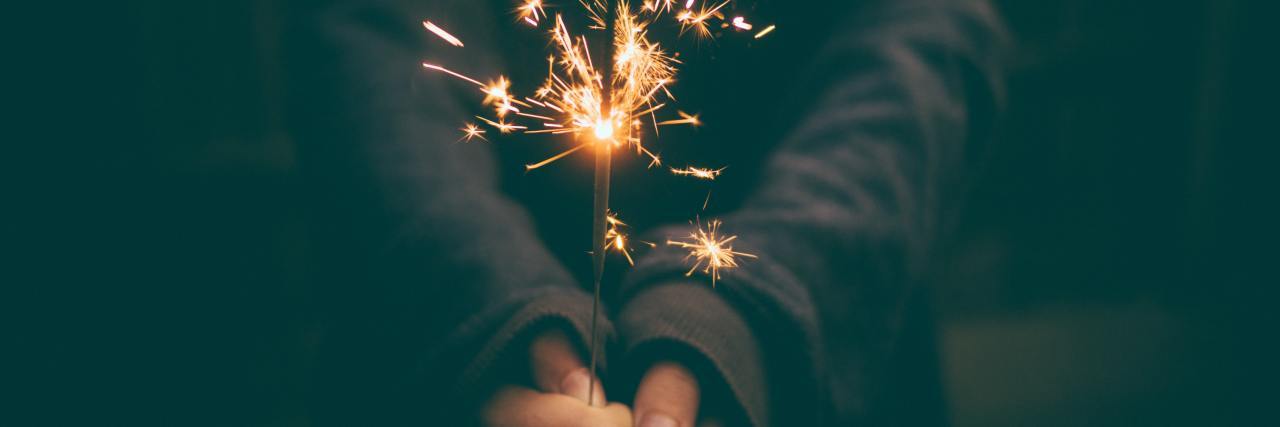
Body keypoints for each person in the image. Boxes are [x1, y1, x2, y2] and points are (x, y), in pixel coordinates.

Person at [288, 0, 1005, 425]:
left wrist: (752, 304)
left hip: (809, 359)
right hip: (452, 368)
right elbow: (373, 50)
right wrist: (488, 305)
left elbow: (921, 36)